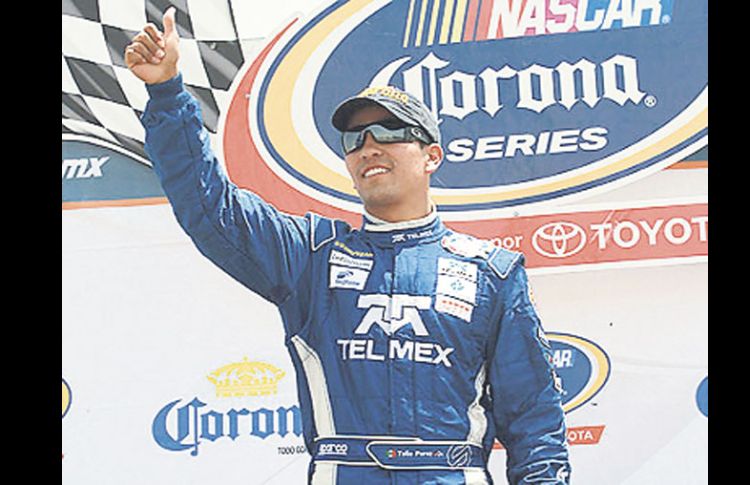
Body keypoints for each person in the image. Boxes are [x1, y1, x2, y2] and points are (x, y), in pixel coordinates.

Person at [125, 7, 571, 485]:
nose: (369, 146)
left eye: (392, 132)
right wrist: (167, 92)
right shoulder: (310, 257)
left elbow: (535, 425)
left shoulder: (492, 273)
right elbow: (210, 207)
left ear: (431, 156)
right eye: (355, 138)